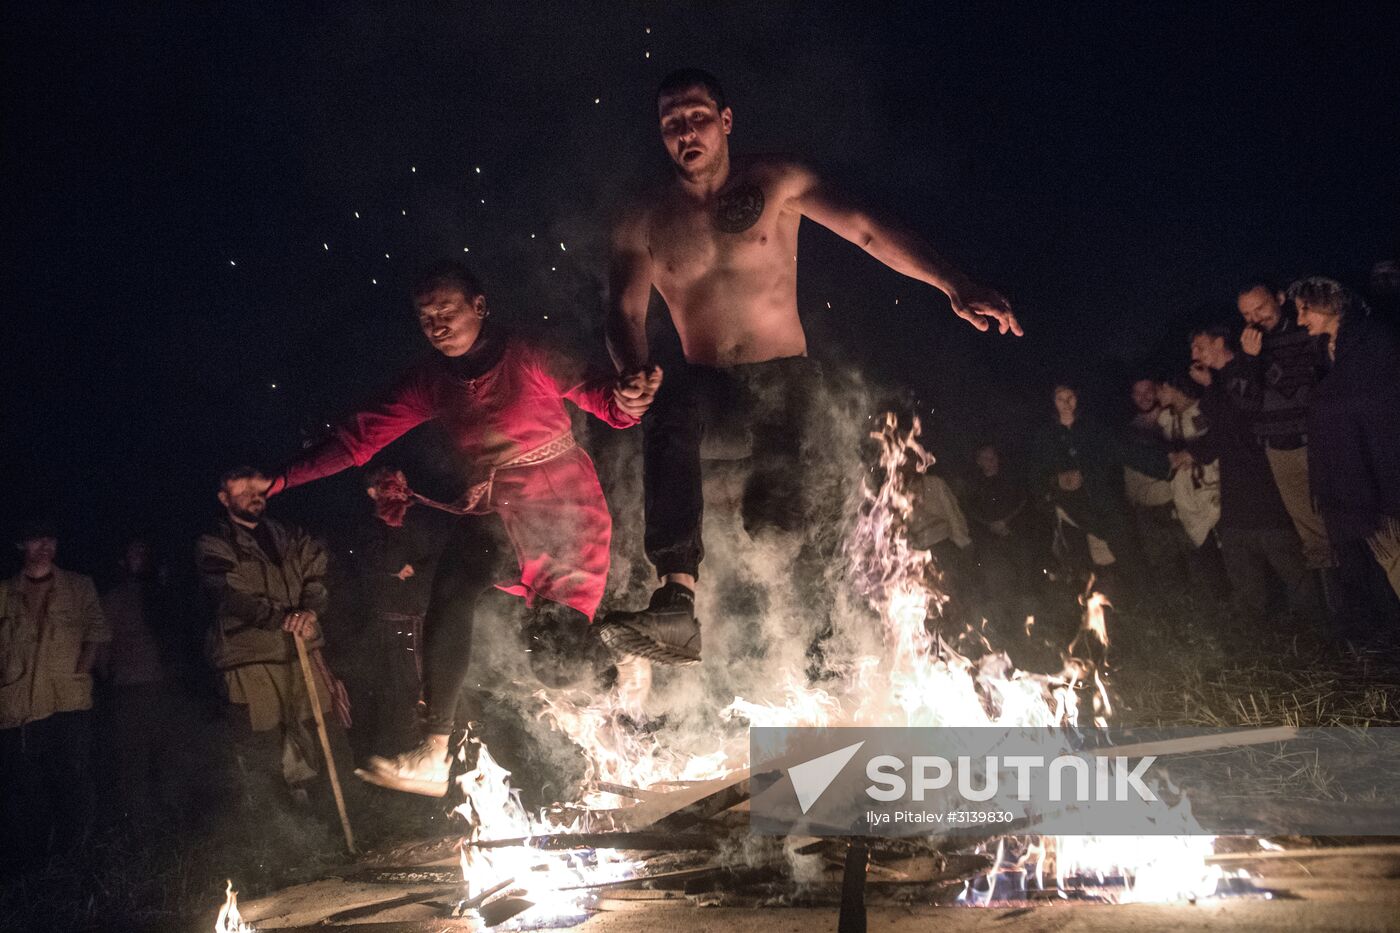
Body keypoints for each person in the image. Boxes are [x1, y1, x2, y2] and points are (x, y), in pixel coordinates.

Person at [601, 68, 1019, 664]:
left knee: (776, 527)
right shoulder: (642, 218)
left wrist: (951, 282)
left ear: (725, 122)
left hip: (784, 381)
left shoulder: (776, 181)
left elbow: (868, 231)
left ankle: (830, 637)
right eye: (672, 123)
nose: (685, 131)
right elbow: (623, 312)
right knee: (668, 403)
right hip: (708, 389)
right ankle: (674, 602)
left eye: (697, 117)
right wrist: (633, 371)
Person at [254, 261, 658, 797]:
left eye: (447, 311)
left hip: (562, 511)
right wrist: (278, 481)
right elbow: (356, 440)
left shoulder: (529, 351)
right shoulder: (429, 382)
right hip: (498, 511)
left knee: (545, 654)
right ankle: (434, 750)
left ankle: (620, 646)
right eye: (426, 318)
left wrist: (629, 397)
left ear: (480, 307)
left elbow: (607, 401)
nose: (437, 324)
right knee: (483, 611)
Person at [196, 469, 354, 817]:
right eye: (242, 486)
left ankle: (340, 822)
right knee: (265, 749)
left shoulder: (290, 535)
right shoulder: (215, 543)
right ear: (224, 498)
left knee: (323, 734)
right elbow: (226, 593)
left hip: (304, 654)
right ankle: (281, 838)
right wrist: (281, 618)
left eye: (258, 485)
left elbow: (316, 573)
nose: (255, 492)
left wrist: (310, 611)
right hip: (250, 662)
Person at [1180, 326, 1319, 625]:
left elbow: (1239, 419)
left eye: (1199, 346)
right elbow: (1219, 431)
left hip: (1265, 493)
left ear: (1220, 341)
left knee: (1296, 574)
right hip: (1236, 501)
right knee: (1246, 583)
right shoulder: (1222, 381)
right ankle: (1254, 641)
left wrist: (1215, 387)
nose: (1195, 354)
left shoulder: (1246, 369)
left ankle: (1319, 634)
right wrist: (1209, 387)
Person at [0, 519, 110, 868]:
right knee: (27, 781)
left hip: (69, 700)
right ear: (21, 545)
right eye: (35, 538)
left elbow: (97, 629)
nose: (45, 545)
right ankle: (37, 855)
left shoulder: (79, 586)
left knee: (73, 775)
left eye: (50, 538)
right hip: (20, 703)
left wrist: (83, 666)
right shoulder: (4, 592)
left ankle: (77, 852)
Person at [1290, 277, 1400, 600]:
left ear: (1327, 303)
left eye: (1304, 310)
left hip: (1385, 472)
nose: (1299, 320)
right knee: (1388, 556)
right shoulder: (1327, 351)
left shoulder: (1374, 339)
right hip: (1359, 482)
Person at [344, 467, 451, 760]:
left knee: (433, 687)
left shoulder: (418, 519)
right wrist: (396, 562)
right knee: (400, 693)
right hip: (391, 624)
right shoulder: (369, 527)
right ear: (372, 493)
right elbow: (384, 559)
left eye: (401, 482)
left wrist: (411, 567)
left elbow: (434, 556)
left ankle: (439, 754)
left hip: (425, 617)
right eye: (388, 486)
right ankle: (403, 755)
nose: (399, 489)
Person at [1235, 280, 1332, 574]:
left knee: (1342, 515)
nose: (1255, 318)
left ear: (1279, 298)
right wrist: (1251, 360)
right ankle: (1335, 607)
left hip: (1319, 441)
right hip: (1279, 448)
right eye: (1247, 314)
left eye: (1260, 308)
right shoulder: (1248, 348)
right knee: (1311, 532)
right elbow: (1246, 405)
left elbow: (1326, 379)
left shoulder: (1308, 332)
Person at [1030, 384, 1153, 593]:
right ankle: (1101, 611)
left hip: (1105, 502)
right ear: (1053, 402)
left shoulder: (1093, 427)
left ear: (1077, 398)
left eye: (1070, 397)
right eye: (1060, 398)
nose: (1066, 403)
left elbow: (1120, 452)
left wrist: (1163, 465)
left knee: (1127, 554)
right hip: (1071, 511)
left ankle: (1145, 603)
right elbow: (1036, 475)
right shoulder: (1045, 437)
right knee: (1087, 566)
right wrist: (1057, 480)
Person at [97, 536, 179, 826]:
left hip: (164, 686)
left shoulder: (165, 594)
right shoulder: (114, 598)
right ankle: (137, 818)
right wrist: (108, 675)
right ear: (123, 561)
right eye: (135, 553)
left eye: (145, 552)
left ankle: (170, 810)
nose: (141, 558)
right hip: (129, 688)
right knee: (132, 756)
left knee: (167, 750)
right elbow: (103, 645)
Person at [1156, 377, 1227, 599]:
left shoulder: (1202, 410)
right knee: (1205, 547)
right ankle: (1221, 596)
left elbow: (1215, 444)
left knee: (1226, 541)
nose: (1157, 395)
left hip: (1210, 487)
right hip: (1185, 494)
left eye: (1159, 389)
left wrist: (1192, 454)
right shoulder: (1165, 419)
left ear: (1171, 385)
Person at [963, 444, 1037, 631]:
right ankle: (1005, 626)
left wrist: (1007, 523)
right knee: (997, 580)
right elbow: (972, 513)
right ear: (979, 462)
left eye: (993, 457)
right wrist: (991, 526)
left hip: (1016, 536)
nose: (991, 461)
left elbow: (1024, 502)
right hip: (991, 542)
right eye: (986, 458)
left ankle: (1029, 624)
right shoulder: (974, 486)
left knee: (1024, 577)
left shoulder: (1011, 479)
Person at [1123, 377, 1186, 587]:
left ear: (1157, 390)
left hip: (1175, 502)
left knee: (1191, 555)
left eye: (1148, 391)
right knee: (1162, 563)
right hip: (1145, 509)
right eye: (1138, 393)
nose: (1144, 398)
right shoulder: (1130, 428)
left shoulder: (1173, 419)